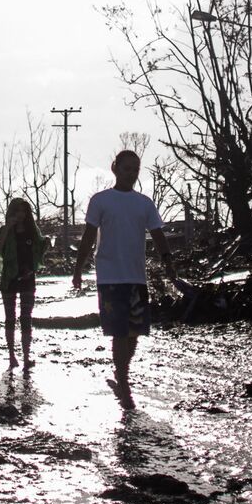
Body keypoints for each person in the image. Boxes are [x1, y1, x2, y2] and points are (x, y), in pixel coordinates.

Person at [72, 150, 178, 409]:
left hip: (136, 276)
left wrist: (168, 261)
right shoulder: (101, 200)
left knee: (134, 332)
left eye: (135, 169)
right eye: (127, 168)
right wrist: (78, 268)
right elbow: (88, 235)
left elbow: (158, 234)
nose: (131, 173)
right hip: (110, 275)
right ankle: (124, 381)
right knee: (118, 331)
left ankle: (122, 374)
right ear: (115, 168)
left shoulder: (144, 203)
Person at [0, 197, 45, 368]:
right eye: (17, 211)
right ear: (12, 213)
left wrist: (47, 243)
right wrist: (8, 227)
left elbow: (39, 250)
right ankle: (12, 356)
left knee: (26, 318)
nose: (21, 215)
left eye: (24, 211)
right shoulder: (5, 231)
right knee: (10, 318)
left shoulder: (32, 231)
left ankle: (27, 356)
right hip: (9, 278)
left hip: (28, 278)